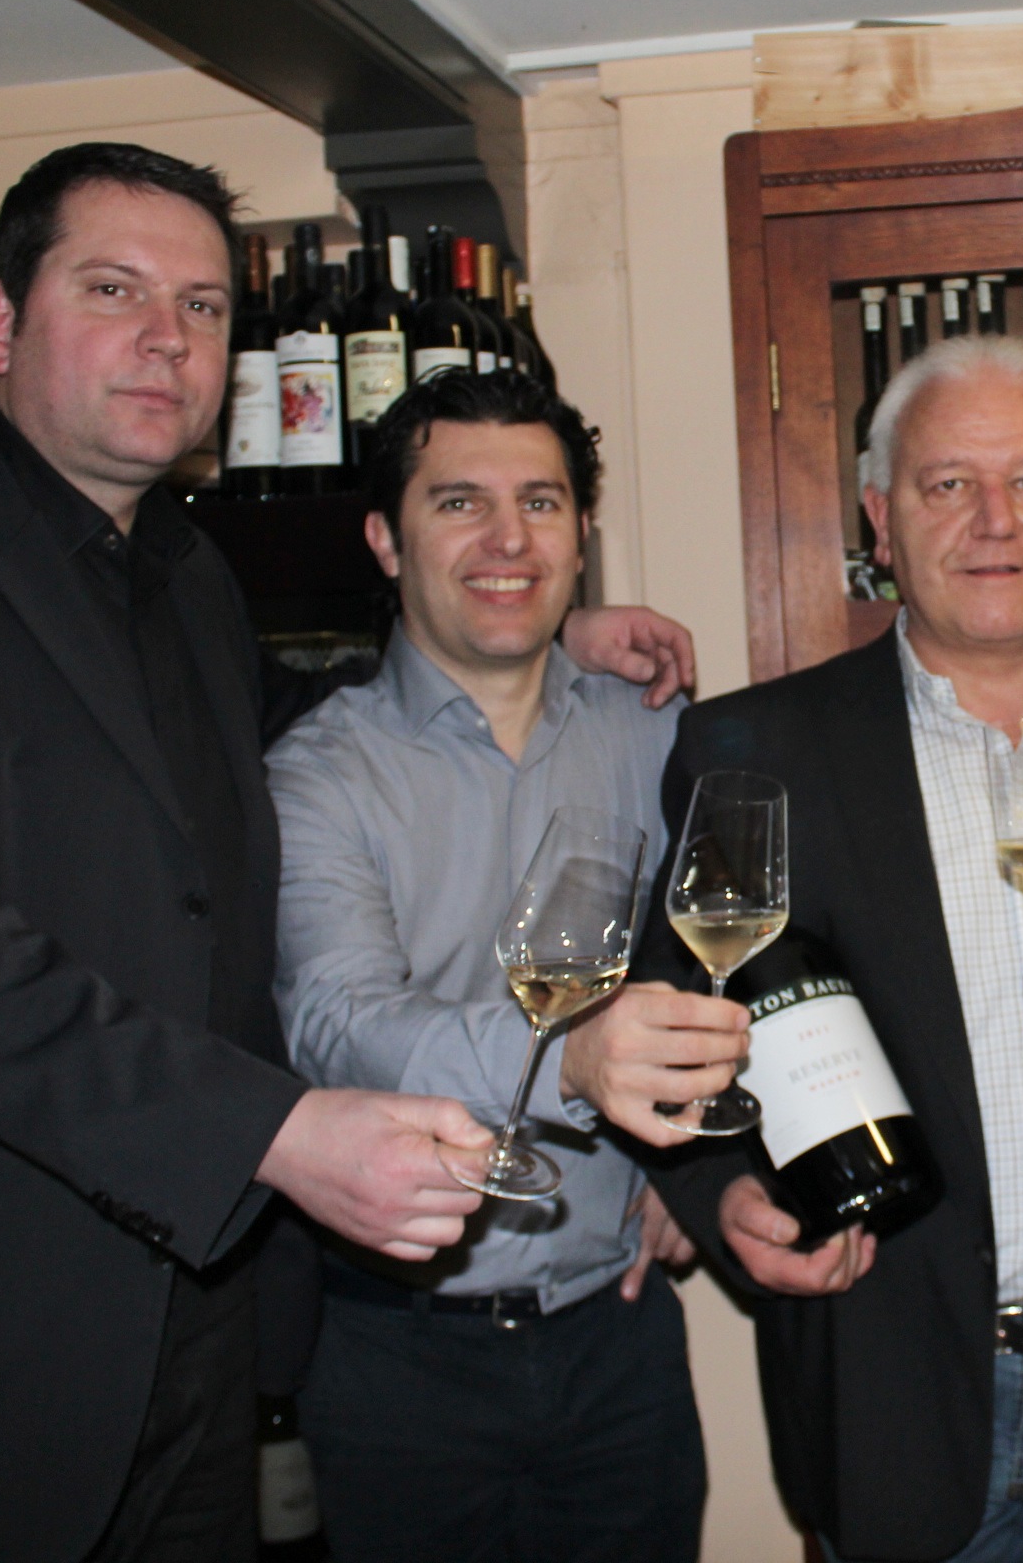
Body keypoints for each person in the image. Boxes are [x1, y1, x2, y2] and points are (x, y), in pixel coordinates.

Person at [0, 141, 692, 1563]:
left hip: (198, 1347)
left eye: (206, 306)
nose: (169, 337)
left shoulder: (181, 572)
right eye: (115, 289)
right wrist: (271, 1132)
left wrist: (526, 627)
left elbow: (297, 724)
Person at [642, 335, 1023, 1562]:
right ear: (881, 519)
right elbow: (680, 1017)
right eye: (948, 484)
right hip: (895, 1386)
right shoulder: (756, 749)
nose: (995, 520)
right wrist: (722, 1198)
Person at [268, 366, 748, 1561]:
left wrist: (695, 1172)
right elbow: (340, 1024)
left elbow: (727, 960)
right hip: (392, 1360)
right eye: (458, 503)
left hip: (619, 1346)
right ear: (386, 540)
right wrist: (574, 1062)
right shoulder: (315, 776)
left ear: (583, 535)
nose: (507, 539)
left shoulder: (660, 734)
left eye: (540, 502)